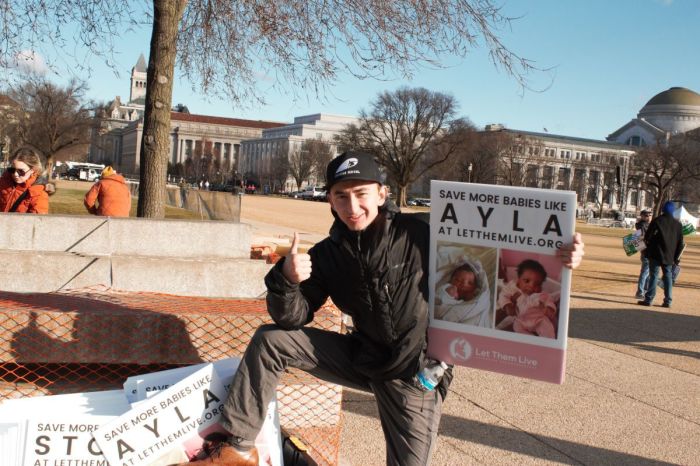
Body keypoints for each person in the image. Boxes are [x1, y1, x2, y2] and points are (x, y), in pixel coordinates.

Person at [182, 151, 586, 466]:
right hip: (362, 355)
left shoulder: (420, 234)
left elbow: (495, 248)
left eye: (361, 194)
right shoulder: (328, 254)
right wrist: (288, 278)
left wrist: (561, 254)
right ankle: (238, 447)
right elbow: (292, 317)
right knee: (272, 341)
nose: (352, 205)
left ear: (382, 194)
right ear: (330, 200)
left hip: (413, 374)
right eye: (342, 196)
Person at [495, 259, 558, 339]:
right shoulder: (512, 288)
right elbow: (503, 296)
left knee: (548, 329)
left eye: (537, 284)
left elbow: (549, 302)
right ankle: (530, 340)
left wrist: (548, 309)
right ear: (518, 279)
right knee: (517, 328)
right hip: (521, 320)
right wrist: (508, 305)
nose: (531, 286)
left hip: (539, 319)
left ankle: (548, 344)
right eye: (527, 281)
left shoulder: (541, 295)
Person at [638, 201, 684, 308]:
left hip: (655, 253)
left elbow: (647, 237)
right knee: (667, 276)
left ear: (663, 209)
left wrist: (646, 250)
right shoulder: (678, 224)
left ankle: (649, 299)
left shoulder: (657, 221)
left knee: (654, 275)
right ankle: (668, 301)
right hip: (669, 254)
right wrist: (676, 258)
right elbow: (680, 243)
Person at [434, 258, 491, 327]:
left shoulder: (475, 296)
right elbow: (439, 298)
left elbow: (478, 304)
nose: (464, 284)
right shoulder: (448, 288)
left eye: (470, 283)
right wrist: (448, 293)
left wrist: (471, 298)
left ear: (475, 287)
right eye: (458, 280)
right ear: (450, 280)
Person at [0, 147, 53, 214]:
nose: (15, 174)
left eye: (21, 171)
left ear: (32, 170)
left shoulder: (39, 194)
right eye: (12, 170)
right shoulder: (3, 182)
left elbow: (37, 222)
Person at [634, 210, 652, 299]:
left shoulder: (641, 225)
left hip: (645, 250)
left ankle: (644, 291)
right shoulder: (643, 225)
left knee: (647, 273)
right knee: (645, 272)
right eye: (646, 215)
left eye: (649, 215)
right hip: (646, 251)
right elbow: (643, 238)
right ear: (642, 216)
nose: (648, 217)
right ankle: (640, 291)